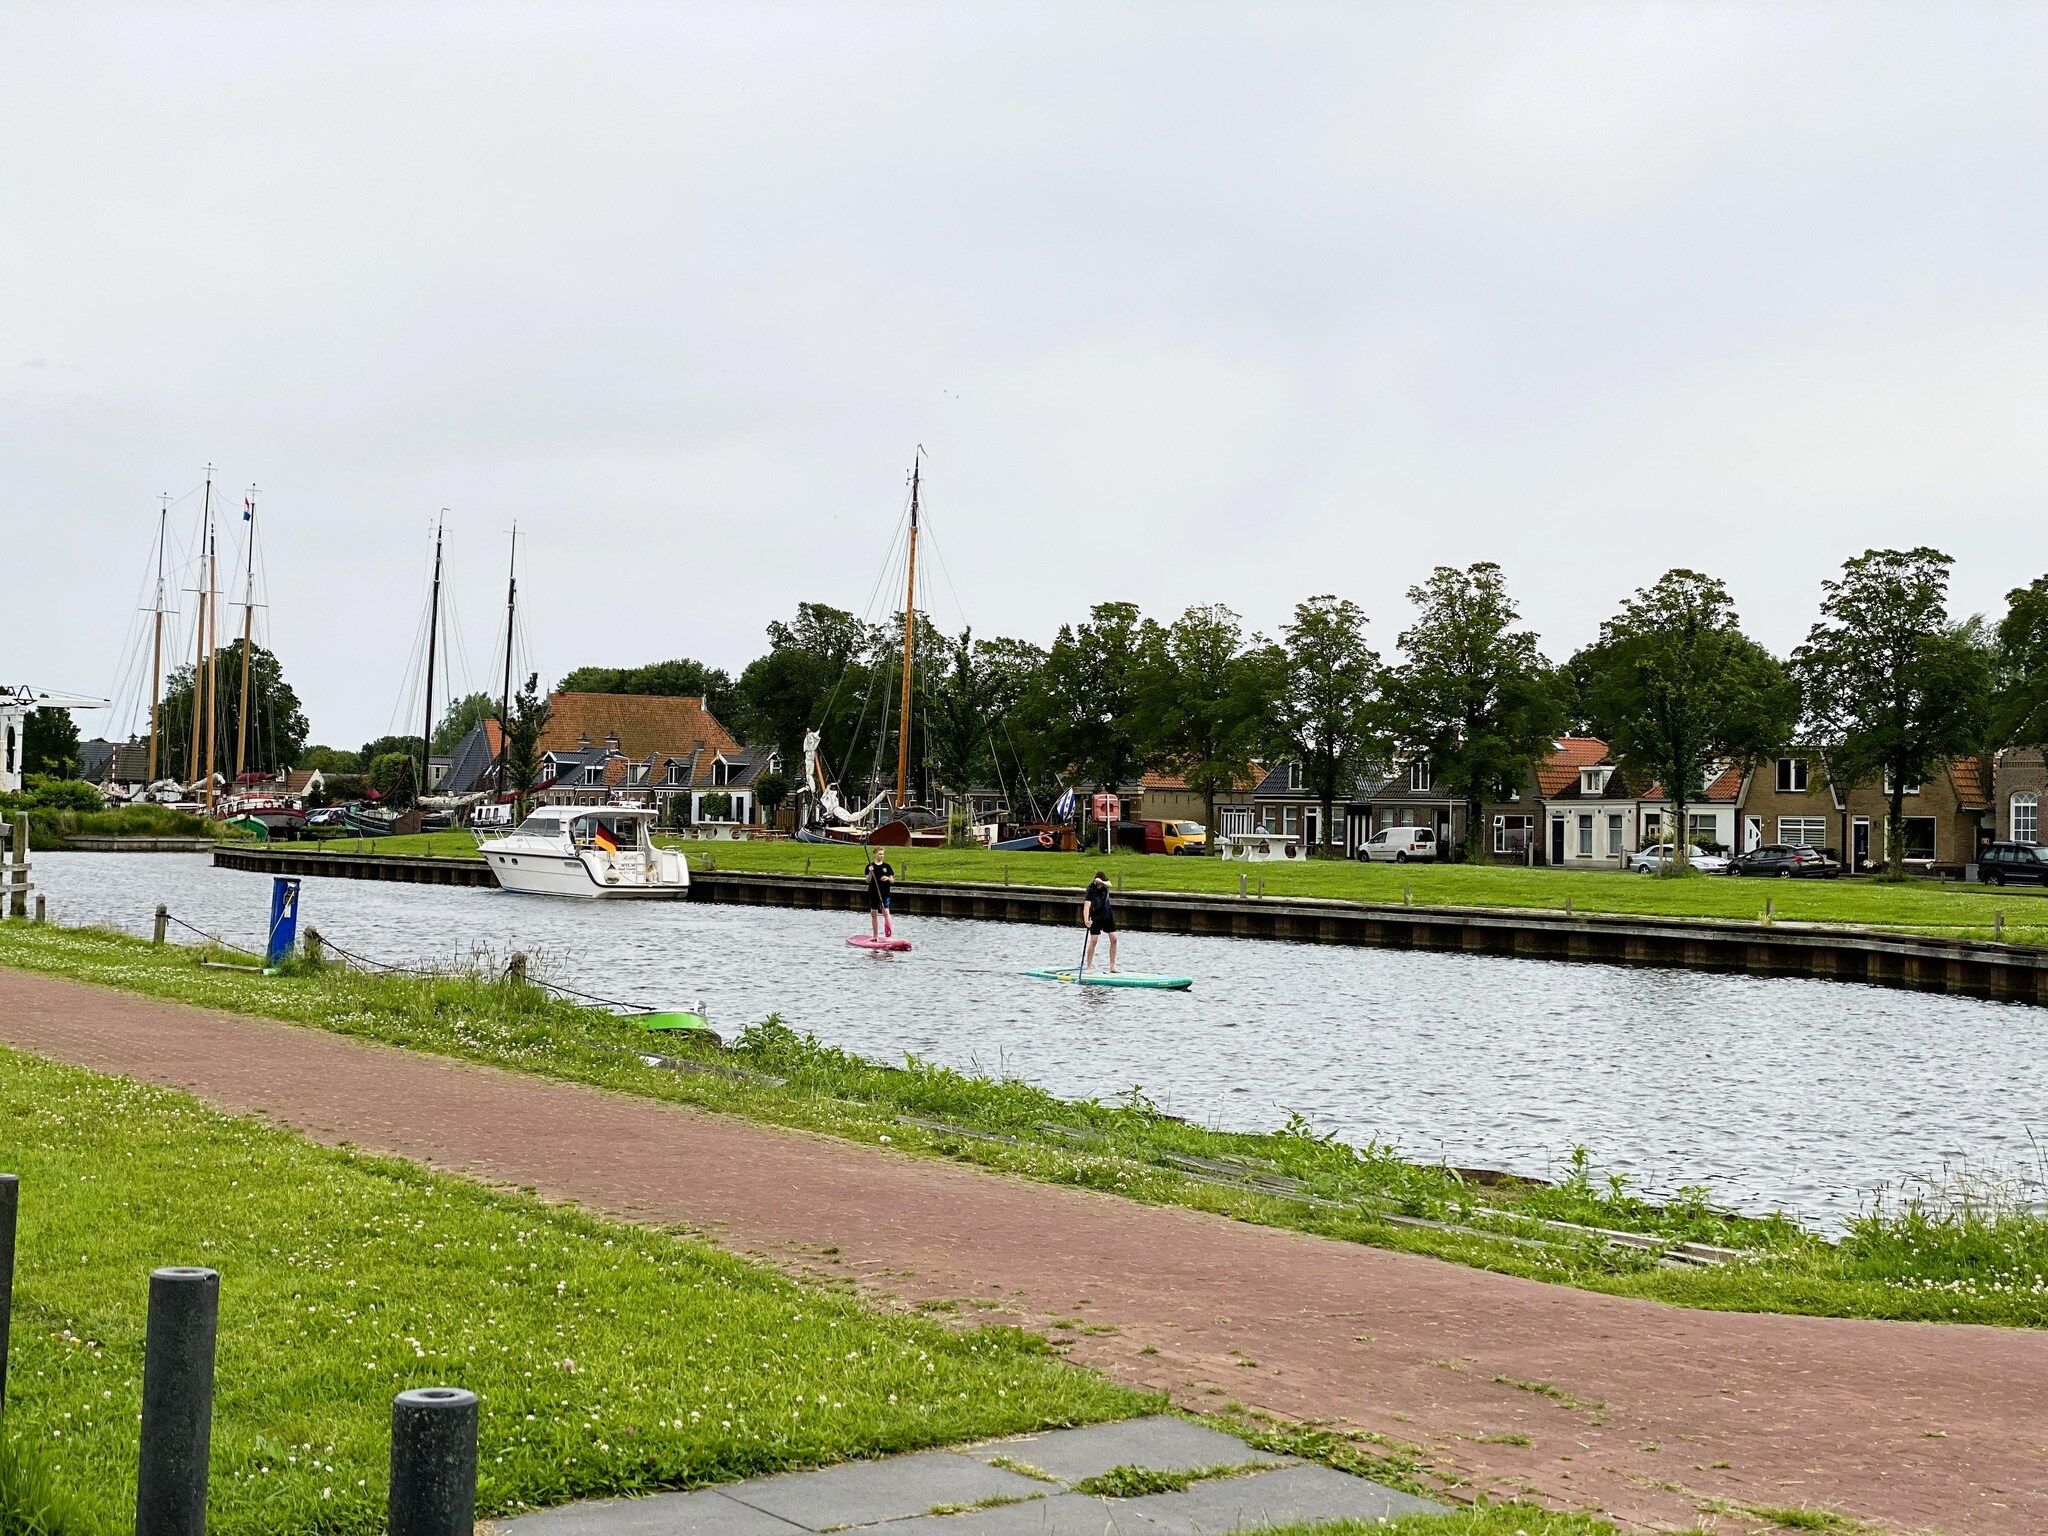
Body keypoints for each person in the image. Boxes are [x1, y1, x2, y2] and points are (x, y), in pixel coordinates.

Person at [1080, 869, 1117, 974]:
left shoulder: (1105, 885)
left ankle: (1112, 966)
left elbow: (1110, 884)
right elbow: (1086, 907)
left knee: (1114, 939)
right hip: (1095, 917)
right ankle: (1088, 966)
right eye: (1098, 884)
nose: (1100, 886)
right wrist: (1086, 921)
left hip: (1107, 915)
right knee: (1093, 940)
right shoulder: (1091, 888)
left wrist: (1102, 882)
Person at [865, 849, 896, 940]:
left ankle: (889, 936)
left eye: (883, 854)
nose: (882, 856)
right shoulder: (870, 866)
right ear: (875, 854)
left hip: (885, 893)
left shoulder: (887, 866)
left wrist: (887, 878)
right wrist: (870, 872)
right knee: (874, 913)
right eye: (880, 854)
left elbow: (892, 881)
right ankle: (875, 936)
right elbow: (867, 881)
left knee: (886, 912)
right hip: (873, 892)